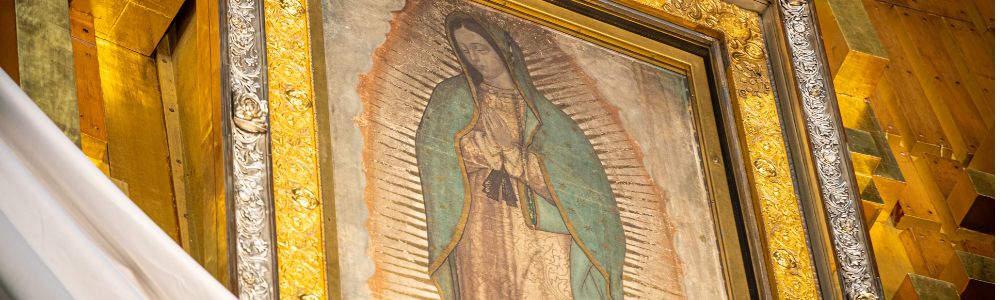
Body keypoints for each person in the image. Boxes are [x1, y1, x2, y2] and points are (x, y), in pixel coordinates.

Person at [415, 12, 625, 300]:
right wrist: (485, 148)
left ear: (503, 49)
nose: (474, 58)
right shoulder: (453, 97)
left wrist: (512, 155)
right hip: (482, 222)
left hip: (540, 231)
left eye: (480, 48)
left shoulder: (549, 120)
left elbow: (578, 189)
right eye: (465, 51)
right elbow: (437, 153)